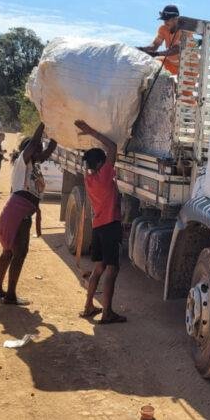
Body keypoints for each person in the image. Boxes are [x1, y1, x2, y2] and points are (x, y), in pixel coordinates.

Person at [0, 123, 56, 305]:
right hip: (19, 215)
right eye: (37, 149)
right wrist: (43, 122)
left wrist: (57, 127)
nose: (41, 153)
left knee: (9, 252)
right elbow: (35, 142)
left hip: (17, 214)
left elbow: (49, 150)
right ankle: (10, 295)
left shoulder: (33, 165)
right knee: (19, 254)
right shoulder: (23, 163)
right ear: (30, 149)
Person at [74, 119, 126, 324]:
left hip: (97, 227)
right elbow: (112, 147)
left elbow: (103, 156)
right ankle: (107, 313)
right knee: (112, 269)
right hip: (110, 226)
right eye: (103, 161)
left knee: (98, 268)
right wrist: (90, 130)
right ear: (99, 165)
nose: (107, 163)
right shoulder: (104, 175)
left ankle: (88, 306)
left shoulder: (89, 179)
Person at [137, 4, 187, 76]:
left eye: (167, 20)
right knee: (153, 63)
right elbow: (155, 45)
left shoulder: (184, 31)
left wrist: (157, 54)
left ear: (176, 19)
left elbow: (176, 49)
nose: (165, 22)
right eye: (164, 20)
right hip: (171, 64)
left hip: (187, 66)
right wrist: (141, 49)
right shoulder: (163, 29)